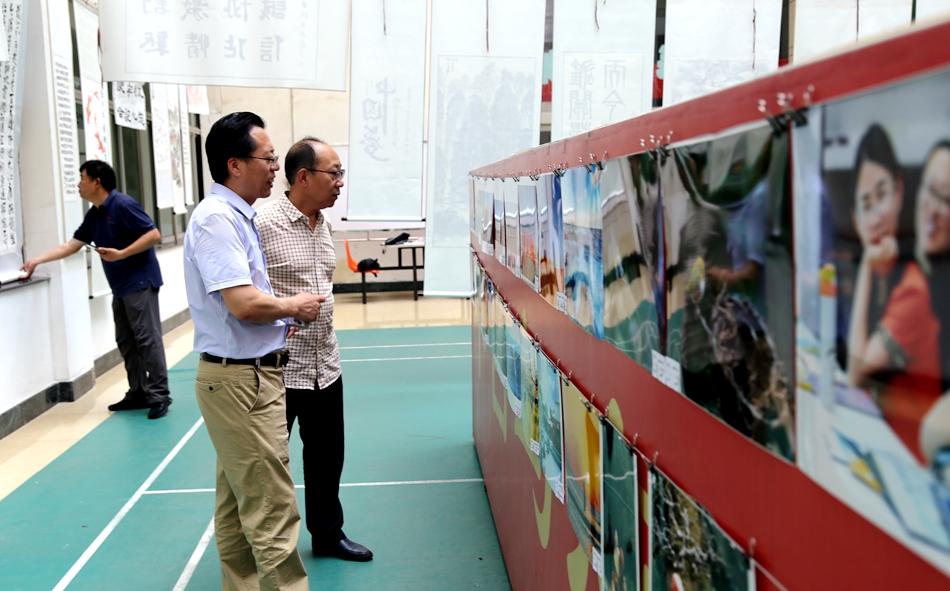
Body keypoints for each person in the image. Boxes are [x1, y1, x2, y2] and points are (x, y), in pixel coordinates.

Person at [183, 112, 323, 590]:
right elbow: (242, 303)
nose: (275, 167)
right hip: (242, 383)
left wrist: (281, 319)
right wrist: (293, 307)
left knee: (237, 504)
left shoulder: (236, 216)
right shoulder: (217, 220)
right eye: (268, 158)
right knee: (272, 509)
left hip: (246, 376)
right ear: (235, 164)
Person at [255, 137, 374, 561]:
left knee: (327, 457)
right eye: (334, 173)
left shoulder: (323, 224)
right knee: (268, 464)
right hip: (280, 369)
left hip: (326, 363)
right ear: (303, 177)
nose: (340, 182)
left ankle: (327, 535)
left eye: (342, 173)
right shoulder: (262, 224)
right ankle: (266, 545)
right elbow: (246, 295)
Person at [19, 160, 171, 419]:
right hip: (121, 287)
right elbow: (71, 245)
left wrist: (121, 253)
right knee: (126, 340)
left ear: (96, 182)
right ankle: (139, 392)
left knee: (147, 339)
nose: (78, 184)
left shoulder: (123, 205)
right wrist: (36, 261)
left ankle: (159, 395)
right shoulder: (95, 214)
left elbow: (153, 235)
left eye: (82, 178)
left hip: (139, 283)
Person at [845, 124, 941, 463]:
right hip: (884, 443)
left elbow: (855, 372)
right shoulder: (884, 278)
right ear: (855, 219)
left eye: (882, 195)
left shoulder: (912, 289)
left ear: (899, 194)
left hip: (913, 460)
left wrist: (866, 268)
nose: (875, 217)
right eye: (865, 204)